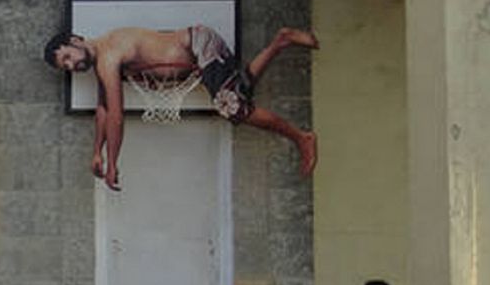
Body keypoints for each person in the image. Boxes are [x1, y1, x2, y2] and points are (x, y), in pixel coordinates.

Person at [42, 24, 318, 191]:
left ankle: (301, 137)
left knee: (231, 108)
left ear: (77, 40)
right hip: (199, 45)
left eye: (68, 56)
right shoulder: (103, 58)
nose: (71, 65)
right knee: (240, 91)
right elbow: (102, 109)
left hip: (199, 44)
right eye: (65, 66)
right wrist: (96, 153)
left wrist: (113, 162)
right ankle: (282, 40)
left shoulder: (109, 54)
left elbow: (116, 115)